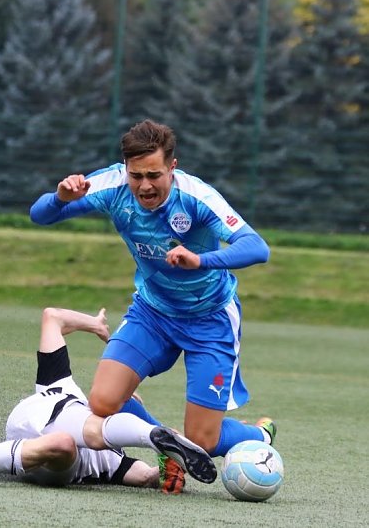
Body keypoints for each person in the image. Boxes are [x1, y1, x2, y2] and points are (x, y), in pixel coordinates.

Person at [29, 119, 275, 458]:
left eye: (154, 176)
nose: (144, 186)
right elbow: (39, 215)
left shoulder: (196, 197)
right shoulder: (111, 185)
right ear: (126, 169)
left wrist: (202, 260)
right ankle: (168, 443)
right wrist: (59, 198)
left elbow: (257, 247)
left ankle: (259, 435)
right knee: (102, 403)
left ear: (172, 167)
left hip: (211, 319)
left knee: (204, 440)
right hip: (152, 313)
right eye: (136, 175)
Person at [0, 306, 217, 493]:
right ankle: (153, 437)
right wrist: (92, 324)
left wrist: (165, 473)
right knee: (86, 430)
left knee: (67, 442)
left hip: (56, 461)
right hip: (45, 415)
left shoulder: (115, 462)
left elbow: (145, 476)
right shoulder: (61, 384)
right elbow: (52, 317)